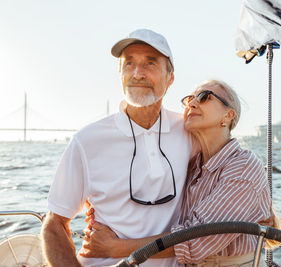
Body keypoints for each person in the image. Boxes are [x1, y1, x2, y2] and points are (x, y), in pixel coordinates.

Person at [81, 80, 281, 267]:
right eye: (188, 99)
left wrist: (114, 248)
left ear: (228, 116)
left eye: (204, 97)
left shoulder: (243, 167)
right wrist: (103, 205)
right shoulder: (193, 165)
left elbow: (197, 240)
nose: (192, 104)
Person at [41, 29, 193, 267]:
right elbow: (55, 224)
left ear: (170, 77)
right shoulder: (87, 140)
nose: (137, 73)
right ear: (119, 73)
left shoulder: (190, 131)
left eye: (150, 63)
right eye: (128, 63)